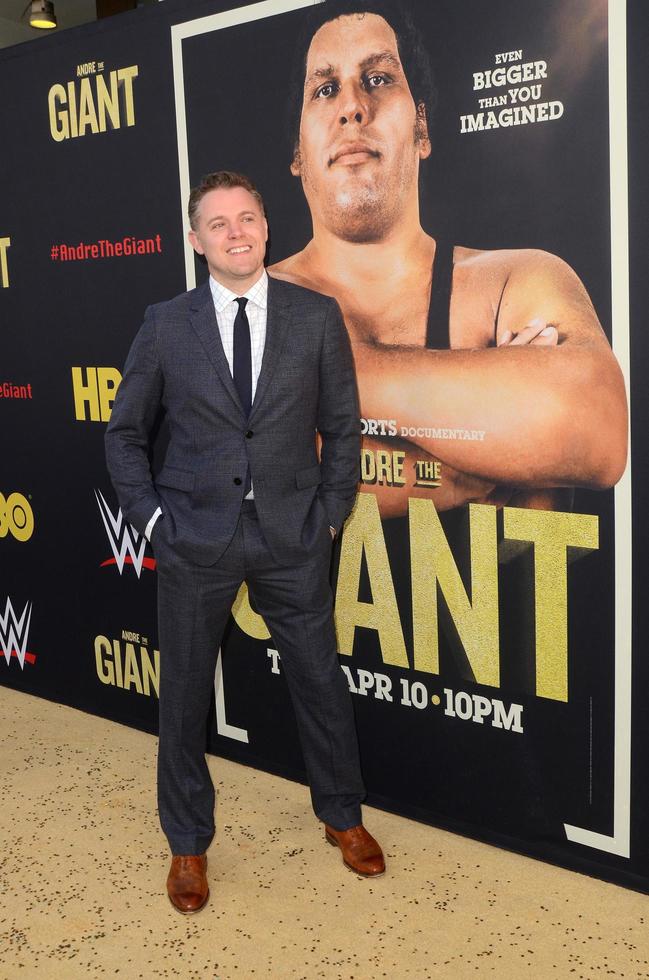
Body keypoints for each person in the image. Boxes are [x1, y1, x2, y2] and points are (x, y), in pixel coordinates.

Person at [105, 171, 384, 915]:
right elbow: (125, 433)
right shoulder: (166, 323)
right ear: (196, 240)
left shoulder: (314, 316)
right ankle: (188, 843)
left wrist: (328, 514)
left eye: (248, 218)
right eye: (219, 223)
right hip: (195, 539)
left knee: (320, 683)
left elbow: (345, 428)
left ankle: (342, 816)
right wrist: (154, 521)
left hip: (293, 535)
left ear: (266, 227)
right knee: (185, 698)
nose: (237, 232)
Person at [270, 0, 627, 517]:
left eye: (377, 78)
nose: (351, 106)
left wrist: (326, 373)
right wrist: (467, 465)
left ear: (421, 128)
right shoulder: (245, 302)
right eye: (325, 89)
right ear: (299, 153)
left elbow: (595, 429)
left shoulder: (513, 282)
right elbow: (258, 474)